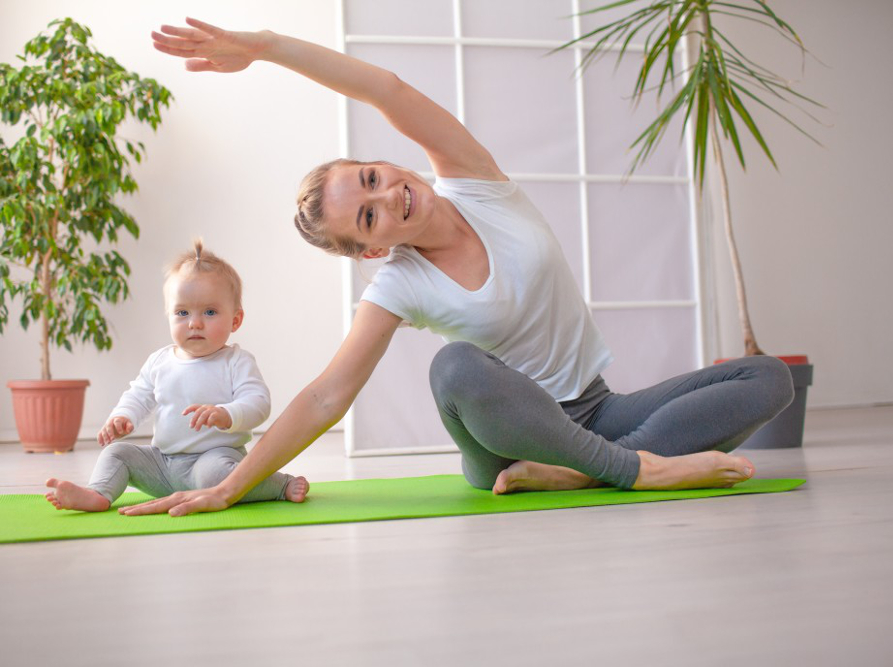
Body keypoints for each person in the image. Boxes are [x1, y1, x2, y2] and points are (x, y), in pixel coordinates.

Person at [120, 19, 794, 518]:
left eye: (373, 178)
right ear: (374, 249)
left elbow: (384, 87)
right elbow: (326, 395)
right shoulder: (398, 284)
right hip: (506, 440)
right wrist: (227, 485)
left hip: (597, 408)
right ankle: (637, 471)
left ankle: (585, 474)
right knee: (454, 367)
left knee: (769, 379)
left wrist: (266, 46)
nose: (388, 196)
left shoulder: (474, 178)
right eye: (367, 217)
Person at [44, 240, 309, 512]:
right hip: (162, 464)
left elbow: (259, 404)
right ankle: (98, 493)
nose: (194, 322)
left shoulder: (236, 361)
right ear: (169, 316)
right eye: (182, 313)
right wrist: (122, 417)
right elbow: (138, 395)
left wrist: (227, 414)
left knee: (217, 474)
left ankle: (279, 485)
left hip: (214, 460)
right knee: (117, 453)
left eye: (209, 312)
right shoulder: (160, 361)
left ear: (235, 320)